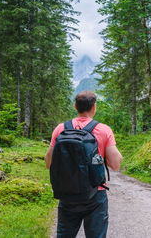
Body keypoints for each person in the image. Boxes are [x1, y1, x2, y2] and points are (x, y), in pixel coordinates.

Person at [45, 90, 123, 238]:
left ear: (75, 106)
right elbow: (115, 165)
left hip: (67, 194)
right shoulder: (104, 130)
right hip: (95, 194)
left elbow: (49, 162)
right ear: (94, 107)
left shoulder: (60, 129)